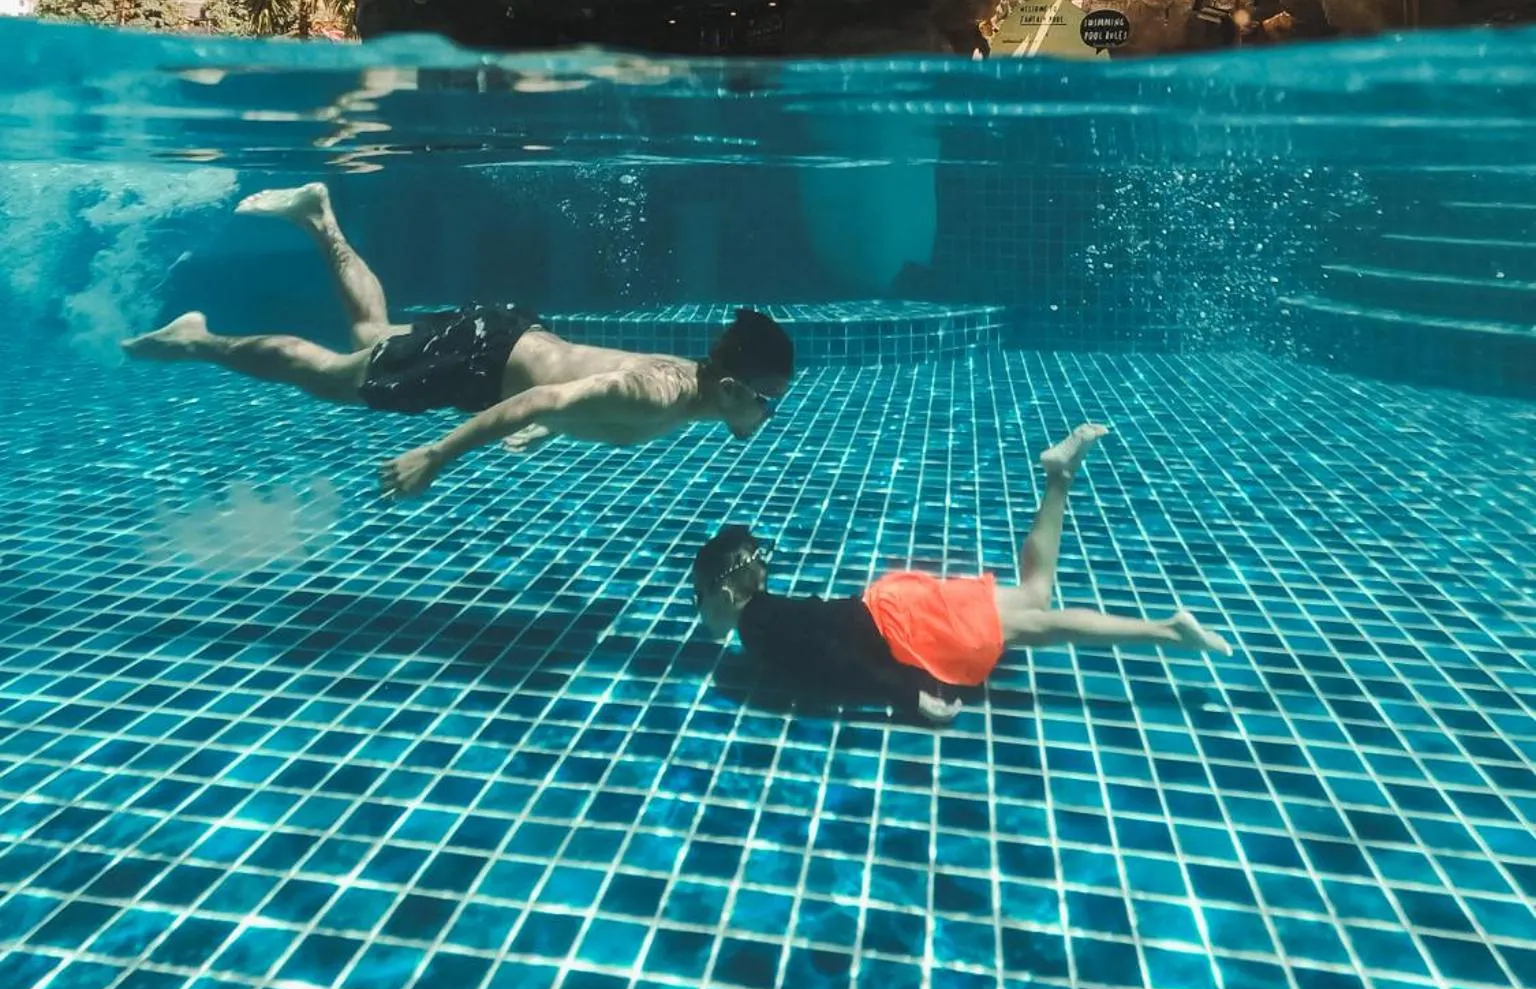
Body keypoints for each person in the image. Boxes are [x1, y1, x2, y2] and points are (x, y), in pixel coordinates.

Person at [123, 182, 795, 501]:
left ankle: (319, 219)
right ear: (732, 387)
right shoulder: (657, 399)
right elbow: (545, 399)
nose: (771, 415)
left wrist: (554, 424)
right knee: (334, 375)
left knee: (370, 336)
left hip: (502, 340)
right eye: (770, 402)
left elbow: (567, 395)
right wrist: (436, 457)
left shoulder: (685, 383)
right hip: (484, 361)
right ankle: (199, 340)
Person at [692, 423, 1230, 725]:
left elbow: (828, 664)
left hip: (904, 630)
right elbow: (825, 653)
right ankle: (1059, 476)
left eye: (699, 600)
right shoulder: (767, 616)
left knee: (1039, 624)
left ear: (722, 589)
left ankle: (1167, 632)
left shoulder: (759, 627)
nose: (701, 613)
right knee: (1034, 597)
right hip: (895, 611)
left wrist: (904, 694)